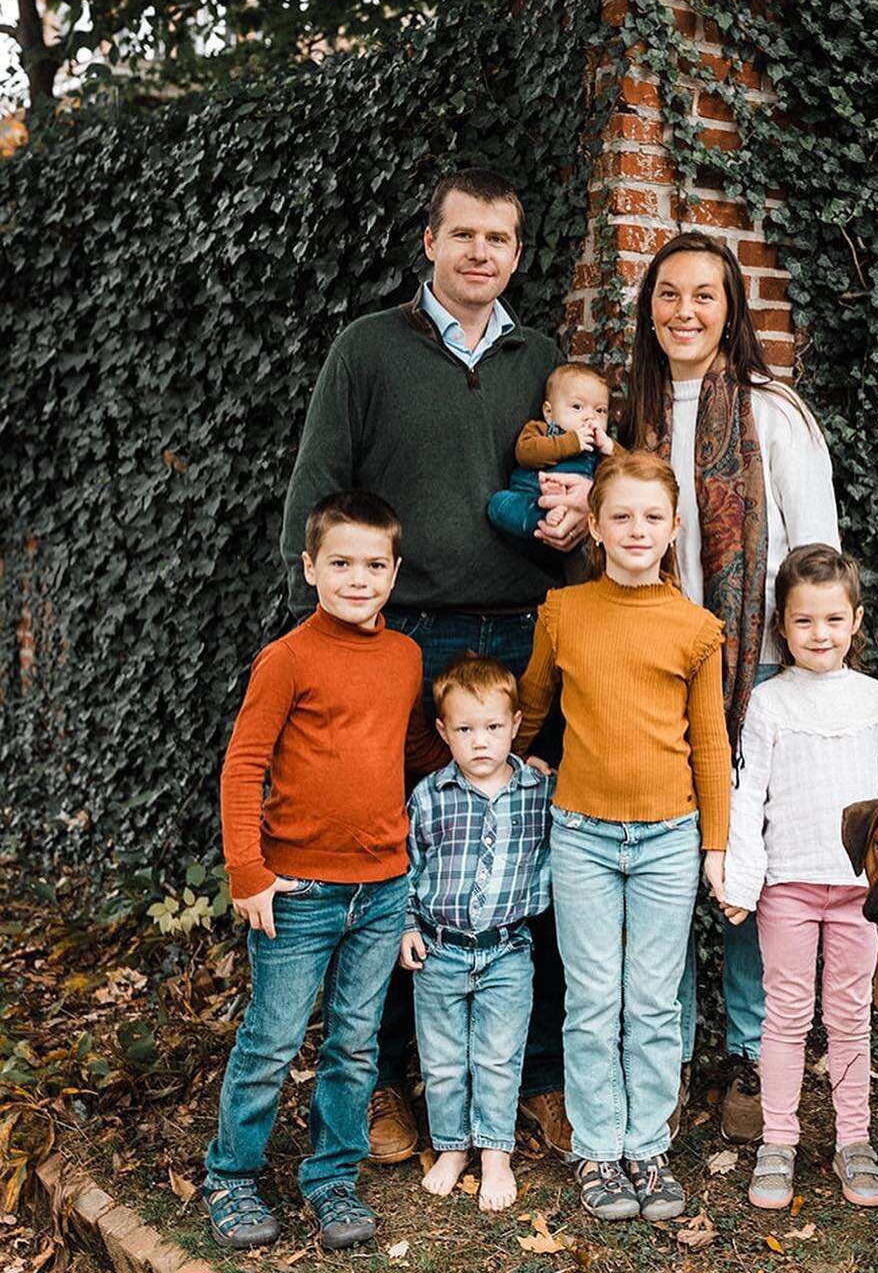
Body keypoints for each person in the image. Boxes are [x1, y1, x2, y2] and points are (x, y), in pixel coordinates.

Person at [279, 168, 585, 1163]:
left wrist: (576, 524)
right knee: (399, 858)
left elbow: (571, 486)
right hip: (402, 641)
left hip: (524, 635)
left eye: (500, 238)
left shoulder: (539, 357)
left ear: (517, 251)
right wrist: (330, 644)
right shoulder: (368, 350)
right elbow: (318, 494)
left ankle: (535, 1072)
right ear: (430, 241)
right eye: (464, 235)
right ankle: (386, 1083)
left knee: (527, 850)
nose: (481, 254)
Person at [620, 231, 841, 1142]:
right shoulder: (622, 416)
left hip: (752, 662)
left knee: (754, 858)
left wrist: (799, 665)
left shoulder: (769, 411)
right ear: (649, 308)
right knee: (669, 861)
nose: (685, 311)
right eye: (668, 294)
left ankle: (753, 1055)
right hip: (650, 665)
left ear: (731, 308)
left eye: (704, 295)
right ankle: (663, 1058)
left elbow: (813, 546)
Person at [203, 492, 443, 1251]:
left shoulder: (405, 657)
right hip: (296, 890)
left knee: (355, 1043)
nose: (357, 578)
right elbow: (243, 766)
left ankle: (332, 1176)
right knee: (272, 1040)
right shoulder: (288, 659)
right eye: (340, 563)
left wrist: (491, 755)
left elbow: (409, 751)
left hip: (382, 889)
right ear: (310, 568)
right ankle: (231, 1177)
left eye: (374, 565)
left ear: (395, 572)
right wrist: (247, 872)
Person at [515, 451, 731, 1222]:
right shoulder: (563, 613)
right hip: (581, 835)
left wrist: (717, 844)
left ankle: (648, 1144)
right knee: (591, 996)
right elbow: (532, 707)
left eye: (652, 517)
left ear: (674, 529)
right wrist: (508, 769)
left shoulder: (697, 630)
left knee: (651, 999)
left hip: (670, 837)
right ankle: (598, 1151)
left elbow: (709, 742)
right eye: (620, 516)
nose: (636, 529)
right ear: (595, 529)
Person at [723, 543, 878, 1210]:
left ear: (856, 622)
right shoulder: (770, 703)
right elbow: (747, 796)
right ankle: (779, 1140)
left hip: (861, 893)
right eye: (804, 622)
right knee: (787, 1013)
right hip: (789, 886)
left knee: (851, 1014)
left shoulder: (874, 699)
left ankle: (853, 1140)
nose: (820, 634)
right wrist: (744, 884)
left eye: (833, 620)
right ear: (783, 627)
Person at [402, 652, 553, 1209]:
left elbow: (555, 859)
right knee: (441, 1059)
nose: (481, 741)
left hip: (507, 950)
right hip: (439, 949)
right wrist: (406, 926)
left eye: (493, 727)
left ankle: (495, 1153)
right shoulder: (429, 797)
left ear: (515, 725)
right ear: (443, 732)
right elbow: (407, 865)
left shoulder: (537, 794)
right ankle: (451, 1146)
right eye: (465, 729)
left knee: (497, 1055)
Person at [488, 362, 616, 539]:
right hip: (530, 500)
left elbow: (625, 472)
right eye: (577, 407)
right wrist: (572, 443)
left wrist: (609, 447)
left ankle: (559, 518)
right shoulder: (539, 429)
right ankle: (542, 519)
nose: (590, 416)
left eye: (600, 410)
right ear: (549, 413)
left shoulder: (598, 446)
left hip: (575, 514)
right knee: (498, 504)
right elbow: (525, 454)